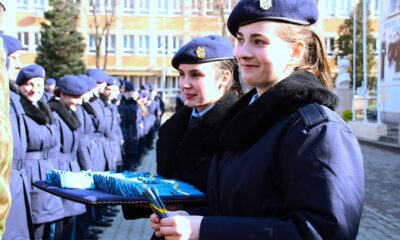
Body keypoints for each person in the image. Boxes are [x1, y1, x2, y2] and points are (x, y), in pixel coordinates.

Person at [150, 1, 365, 239]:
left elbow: (322, 233)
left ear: (295, 51)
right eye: (241, 39)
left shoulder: (316, 130)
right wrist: (189, 217)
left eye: (259, 41)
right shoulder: (247, 121)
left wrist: (203, 228)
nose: (242, 52)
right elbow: (239, 209)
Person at [156, 35, 239, 194]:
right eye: (182, 74)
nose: (185, 84)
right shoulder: (172, 127)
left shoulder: (239, 126)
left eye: (195, 75)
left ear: (224, 78)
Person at [16, 64, 65, 239]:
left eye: (38, 85)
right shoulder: (19, 110)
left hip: (47, 172)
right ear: (20, 86)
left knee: (50, 226)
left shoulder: (42, 108)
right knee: (37, 226)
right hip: (32, 175)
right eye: (29, 84)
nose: (34, 89)